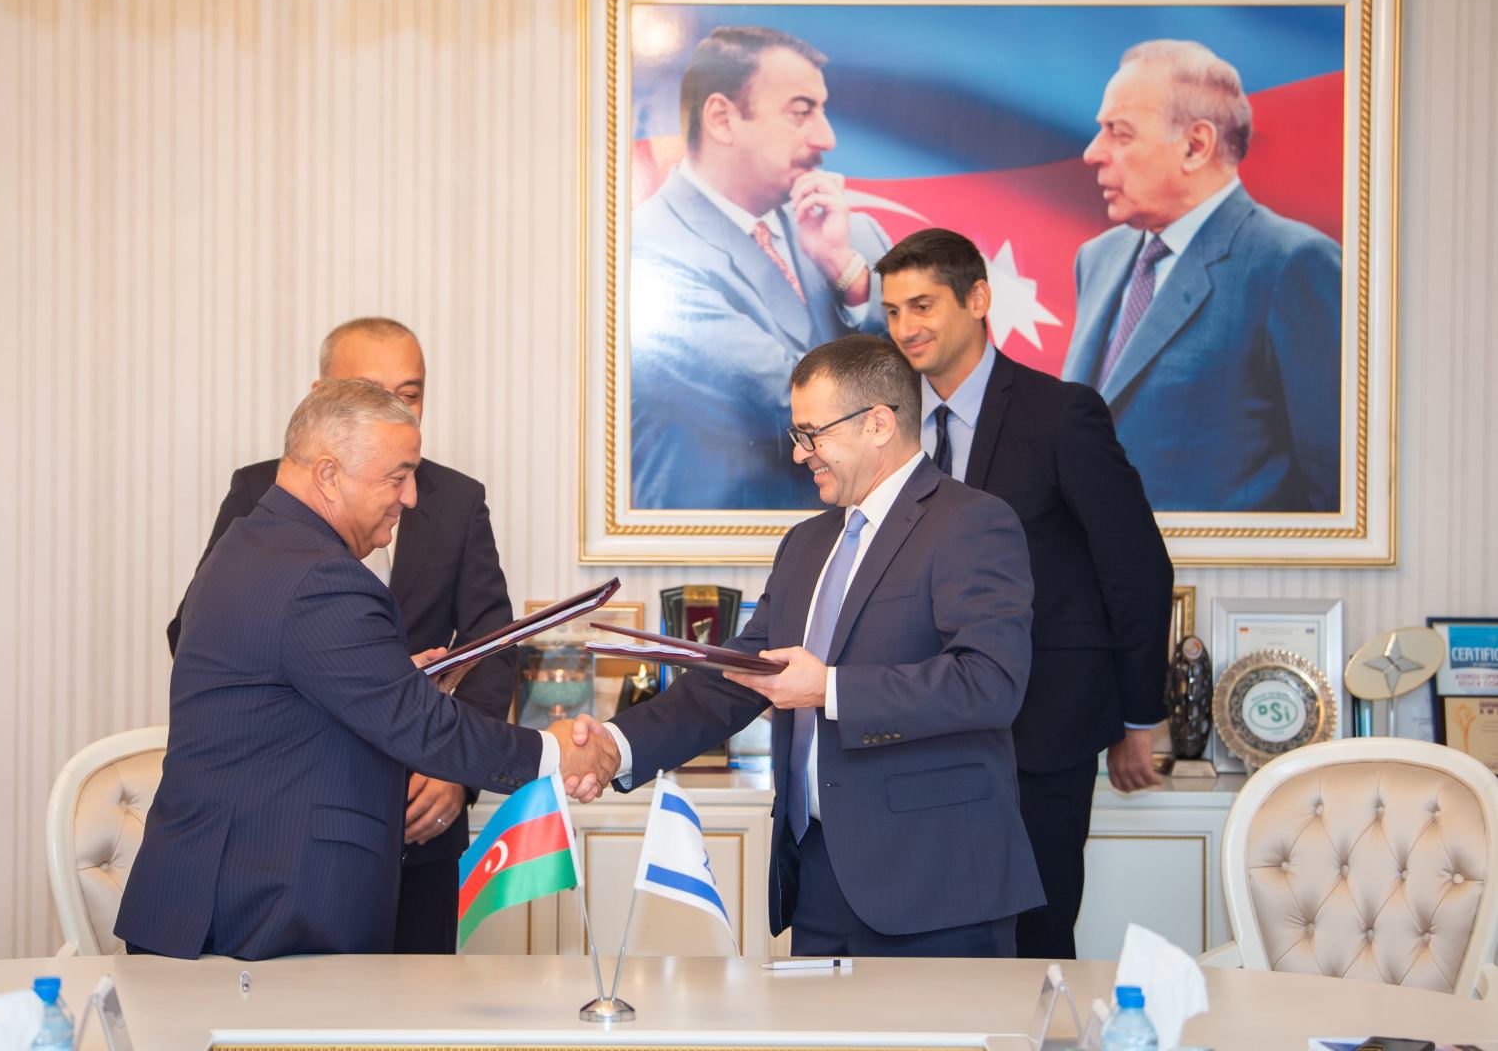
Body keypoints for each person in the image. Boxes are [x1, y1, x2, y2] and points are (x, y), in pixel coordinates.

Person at [117, 380, 617, 960]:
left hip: (221, 905)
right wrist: (556, 754)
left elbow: (295, 687)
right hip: (255, 920)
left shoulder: (253, 543)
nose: (410, 498)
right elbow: (423, 727)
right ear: (329, 475)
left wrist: (394, 678)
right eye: (397, 477)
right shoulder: (320, 577)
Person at [592, 335, 1043, 957]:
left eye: (812, 434)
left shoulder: (971, 522)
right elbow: (737, 676)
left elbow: (990, 683)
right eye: (796, 434)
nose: (800, 453)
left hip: (937, 885)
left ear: (878, 423)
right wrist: (615, 747)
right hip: (819, 880)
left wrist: (828, 688)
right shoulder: (806, 543)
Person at [166, 316, 512, 955]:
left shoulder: (456, 498)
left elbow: (493, 644)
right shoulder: (265, 489)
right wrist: (356, 679)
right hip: (291, 838)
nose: (395, 407)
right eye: (371, 392)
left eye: (410, 394)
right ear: (322, 396)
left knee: (416, 999)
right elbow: (199, 633)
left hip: (422, 818)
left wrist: (453, 776)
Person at [878, 228, 1174, 960]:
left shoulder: (1061, 413)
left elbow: (1136, 568)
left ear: (977, 299)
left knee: (1036, 939)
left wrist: (1139, 717)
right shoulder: (888, 425)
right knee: (930, 939)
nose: (906, 328)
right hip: (916, 733)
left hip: (1045, 730)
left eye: (923, 305)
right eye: (892, 311)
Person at [1061, 39, 1342, 513]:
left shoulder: (1291, 264)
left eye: (1120, 133)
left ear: (1195, 146)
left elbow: (1334, 486)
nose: (1093, 152)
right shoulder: (1098, 259)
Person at [629, 25, 892, 511]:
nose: (827, 138)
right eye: (801, 112)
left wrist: (848, 275)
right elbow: (788, 403)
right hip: (725, 541)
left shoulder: (854, 238)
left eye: (823, 111)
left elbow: (924, 387)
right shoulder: (647, 247)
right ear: (722, 119)